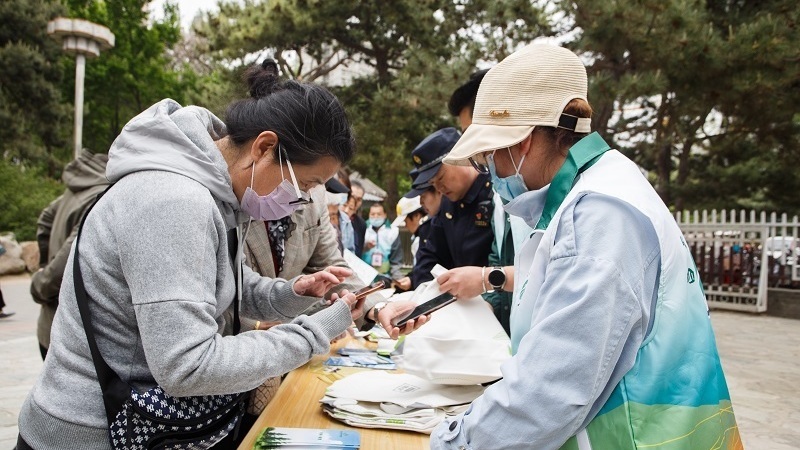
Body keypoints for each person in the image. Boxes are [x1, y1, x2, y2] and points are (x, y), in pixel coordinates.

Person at [17, 59, 424, 450]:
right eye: (303, 184)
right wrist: (318, 330)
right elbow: (188, 365)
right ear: (265, 147)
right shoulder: (173, 200)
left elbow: (220, 283)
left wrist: (294, 292)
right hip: (94, 431)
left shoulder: (214, 192)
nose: (301, 200)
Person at [430, 43, 740, 449]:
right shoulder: (605, 188)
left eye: (489, 156)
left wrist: (456, 440)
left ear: (523, 142)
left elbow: (550, 391)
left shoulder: (599, 214)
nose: (491, 172)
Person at [436, 67, 531, 333]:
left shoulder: (582, 198)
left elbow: (555, 274)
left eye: (476, 136)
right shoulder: (504, 194)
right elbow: (497, 258)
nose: (477, 151)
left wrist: (484, 279)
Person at [30, 149, 110, 359]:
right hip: (67, 335)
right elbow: (64, 264)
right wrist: (40, 284)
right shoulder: (100, 195)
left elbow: (45, 220)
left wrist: (44, 261)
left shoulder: (79, 186)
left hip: (49, 329)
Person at [397, 128, 495, 291]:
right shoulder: (448, 204)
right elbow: (431, 256)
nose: (440, 188)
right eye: (433, 183)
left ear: (462, 157)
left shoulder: (496, 192)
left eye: (441, 178)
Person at [361, 203, 404, 280]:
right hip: (365, 275)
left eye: (379, 214)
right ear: (369, 215)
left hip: (385, 276)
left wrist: (397, 278)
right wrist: (366, 246)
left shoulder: (393, 231)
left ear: (385, 215)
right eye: (373, 214)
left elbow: (396, 258)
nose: (375, 217)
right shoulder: (363, 230)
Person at [392, 196, 425, 264]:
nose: (406, 226)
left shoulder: (426, 239)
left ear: (417, 216)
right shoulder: (417, 238)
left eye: (406, 221)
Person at [345, 180, 367, 255]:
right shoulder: (333, 217)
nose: (355, 201)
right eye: (352, 196)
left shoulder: (361, 224)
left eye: (359, 199)